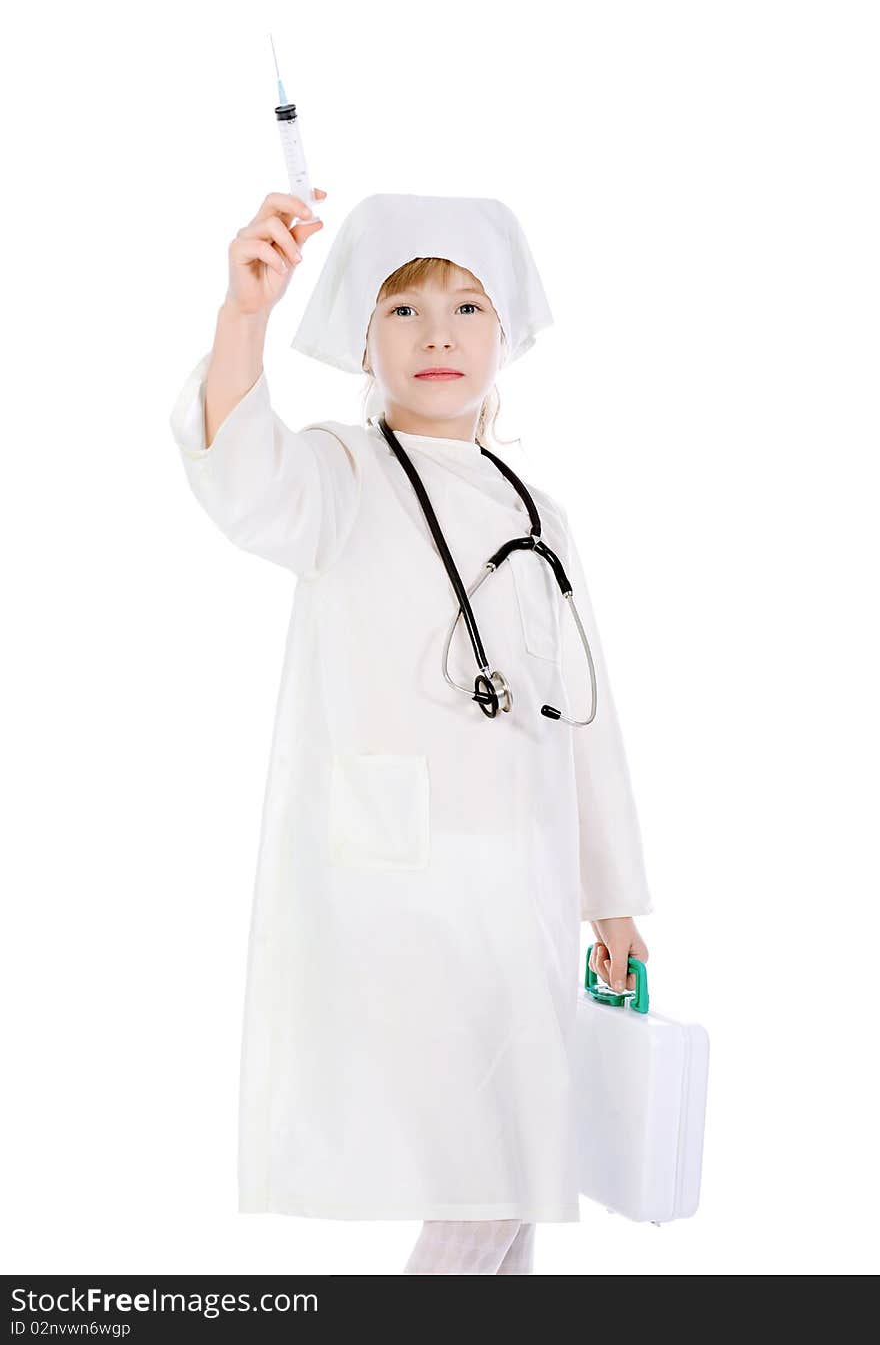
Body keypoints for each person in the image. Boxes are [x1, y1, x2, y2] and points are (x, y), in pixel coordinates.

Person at [168, 189, 652, 1275]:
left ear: (507, 330)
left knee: (520, 1183)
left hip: (519, 897)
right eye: (404, 310)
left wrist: (610, 899)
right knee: (489, 1175)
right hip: (403, 903)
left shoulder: (539, 512)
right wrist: (243, 313)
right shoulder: (338, 476)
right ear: (359, 338)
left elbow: (584, 722)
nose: (438, 333)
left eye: (467, 306)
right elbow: (240, 477)